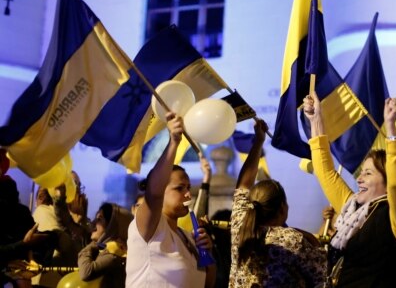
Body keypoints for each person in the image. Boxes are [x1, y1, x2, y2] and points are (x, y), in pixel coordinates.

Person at [304, 94, 396, 287]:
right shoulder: (353, 207)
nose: (359, 178)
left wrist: (391, 128)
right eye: (361, 172)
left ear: (388, 179)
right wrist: (315, 120)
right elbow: (326, 173)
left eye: (368, 173)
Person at [230, 119, 326, 287]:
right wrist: (313, 241)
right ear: (282, 208)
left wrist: (258, 142)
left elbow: (243, 185)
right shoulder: (293, 240)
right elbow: (321, 277)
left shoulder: (240, 225)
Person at [125, 112, 215, 288]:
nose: (188, 194)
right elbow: (154, 193)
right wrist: (174, 141)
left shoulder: (187, 237)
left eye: (188, 188)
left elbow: (207, 284)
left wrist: (208, 254)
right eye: (179, 188)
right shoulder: (148, 227)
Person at [77, 203, 133, 287]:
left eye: (99, 219)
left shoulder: (115, 249)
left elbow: (86, 272)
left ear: (112, 226)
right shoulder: (104, 248)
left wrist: (92, 245)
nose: (93, 223)